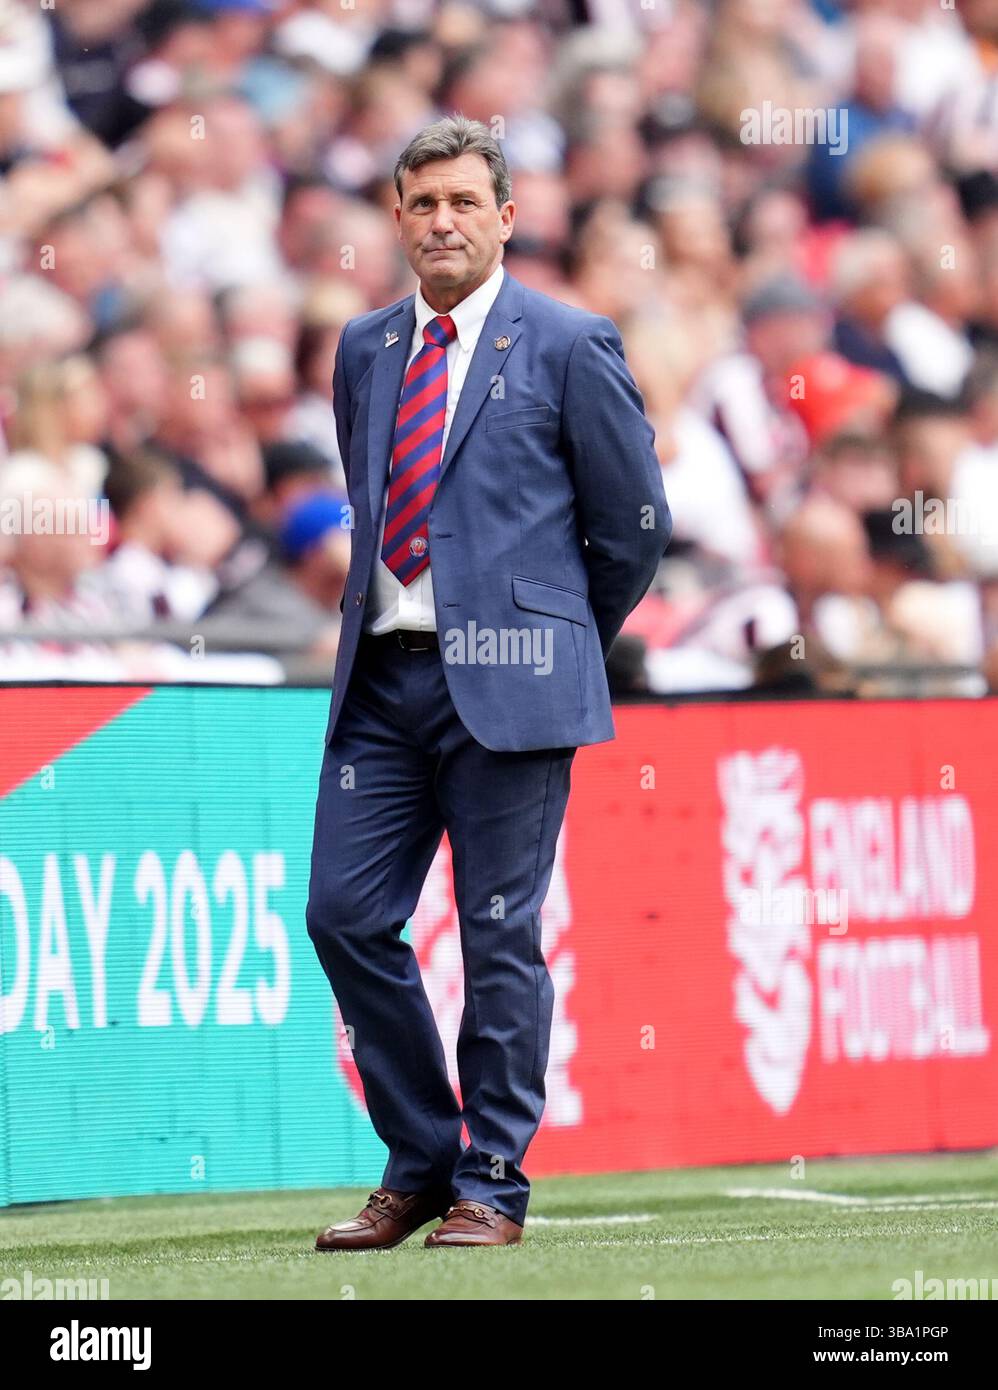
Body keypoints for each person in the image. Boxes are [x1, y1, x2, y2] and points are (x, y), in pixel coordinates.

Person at [305, 114, 671, 1250]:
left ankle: (491, 1184)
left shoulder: (568, 342)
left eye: (464, 201)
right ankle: (421, 1156)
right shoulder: (365, 348)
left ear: (507, 217)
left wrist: (555, 637)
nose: (443, 221)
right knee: (343, 915)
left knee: (495, 934)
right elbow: (376, 512)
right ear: (399, 220)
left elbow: (632, 528)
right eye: (422, 204)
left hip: (510, 690)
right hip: (381, 681)